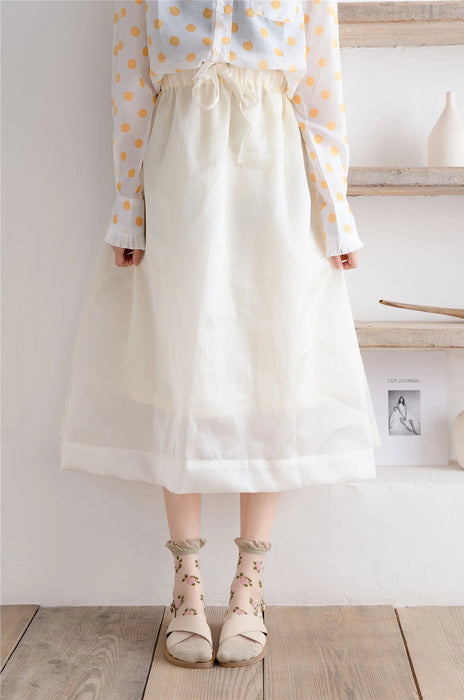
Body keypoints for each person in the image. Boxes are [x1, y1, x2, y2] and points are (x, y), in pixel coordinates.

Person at [59, 0, 382, 668]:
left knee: (273, 373)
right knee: (180, 373)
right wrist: (128, 210)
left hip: (276, 189)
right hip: (180, 184)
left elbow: (321, 89)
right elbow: (129, 94)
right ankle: (185, 585)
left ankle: (249, 586)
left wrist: (334, 208)